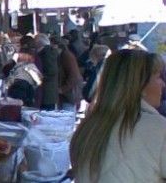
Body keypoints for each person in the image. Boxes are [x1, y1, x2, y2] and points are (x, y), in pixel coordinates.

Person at [70, 50, 166, 182]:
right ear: (140, 85)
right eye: (158, 77)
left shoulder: (87, 128)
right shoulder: (158, 129)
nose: (163, 84)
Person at [51, 36, 83, 111]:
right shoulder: (61, 55)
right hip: (65, 93)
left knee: (67, 114)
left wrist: (63, 89)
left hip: (68, 94)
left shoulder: (66, 56)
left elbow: (73, 75)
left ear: (57, 45)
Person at [33, 33, 59, 110]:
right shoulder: (48, 52)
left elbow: (51, 72)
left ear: (39, 43)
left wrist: (38, 78)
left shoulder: (46, 54)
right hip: (49, 92)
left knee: (46, 116)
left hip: (47, 92)